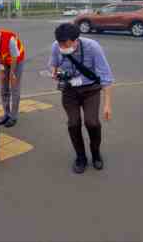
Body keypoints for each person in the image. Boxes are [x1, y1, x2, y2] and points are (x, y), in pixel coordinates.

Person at [50, 23, 114, 174]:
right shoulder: (56, 46)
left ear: (75, 40)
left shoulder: (93, 47)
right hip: (69, 90)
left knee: (92, 123)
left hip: (90, 90)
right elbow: (52, 64)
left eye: (65, 43)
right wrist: (54, 72)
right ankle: (80, 157)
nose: (62, 47)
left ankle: (96, 153)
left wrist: (107, 105)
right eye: (60, 43)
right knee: (73, 123)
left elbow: (106, 76)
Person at [0, 27, 25, 128]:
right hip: (4, 61)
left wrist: (12, 73)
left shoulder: (9, 39)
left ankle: (13, 116)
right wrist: (2, 70)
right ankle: (6, 114)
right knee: (4, 88)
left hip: (16, 61)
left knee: (14, 88)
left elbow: (14, 57)